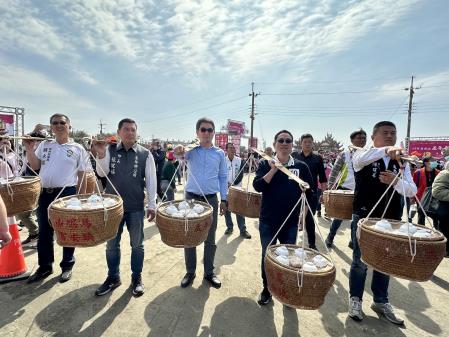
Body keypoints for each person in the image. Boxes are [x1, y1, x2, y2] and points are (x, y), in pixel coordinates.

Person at [348, 121, 416, 325]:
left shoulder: (402, 163)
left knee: (385, 262)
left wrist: (395, 181)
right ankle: (355, 299)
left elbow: (411, 191)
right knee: (360, 262)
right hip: (365, 217)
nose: (390, 136)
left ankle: (380, 301)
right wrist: (386, 149)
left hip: (391, 220)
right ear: (373, 137)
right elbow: (361, 158)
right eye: (385, 133)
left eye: (393, 133)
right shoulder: (362, 155)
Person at [94, 118, 157, 297]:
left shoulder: (145, 154)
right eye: (126, 129)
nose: (130, 132)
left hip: (136, 207)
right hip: (112, 208)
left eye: (133, 130)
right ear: (119, 132)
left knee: (137, 245)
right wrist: (100, 154)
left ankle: (136, 278)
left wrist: (152, 205)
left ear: (137, 132)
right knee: (111, 246)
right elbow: (101, 173)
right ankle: (113, 277)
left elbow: (151, 181)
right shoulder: (110, 150)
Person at [24, 114, 90, 283]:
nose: (59, 125)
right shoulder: (45, 145)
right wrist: (30, 150)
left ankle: (67, 265)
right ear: (51, 127)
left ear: (69, 126)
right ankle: (45, 266)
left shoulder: (78, 148)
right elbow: (35, 166)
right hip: (45, 193)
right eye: (55, 123)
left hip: (67, 193)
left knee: (68, 230)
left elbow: (82, 175)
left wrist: (80, 199)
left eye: (63, 123)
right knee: (45, 231)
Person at [253, 130, 313, 305]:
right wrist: (273, 169)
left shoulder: (301, 167)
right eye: (281, 140)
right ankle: (267, 289)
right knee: (268, 256)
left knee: (289, 259)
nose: (285, 143)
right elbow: (258, 186)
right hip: (268, 220)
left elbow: (310, 193)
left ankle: (286, 290)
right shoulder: (265, 163)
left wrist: (304, 214)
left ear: (292, 144)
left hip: (291, 222)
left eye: (288, 141)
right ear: (275, 144)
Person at [174, 117, 227, 289]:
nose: (206, 133)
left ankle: (209, 273)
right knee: (189, 236)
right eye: (203, 129)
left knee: (209, 237)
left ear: (214, 133)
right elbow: (176, 155)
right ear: (197, 132)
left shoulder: (219, 153)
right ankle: (190, 272)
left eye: (210, 130)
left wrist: (224, 199)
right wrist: (177, 150)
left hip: (211, 198)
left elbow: (223, 177)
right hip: (191, 198)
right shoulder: (191, 151)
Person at [325, 129, 367, 248]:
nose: (362, 140)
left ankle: (353, 241)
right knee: (339, 217)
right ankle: (330, 237)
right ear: (352, 140)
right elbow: (334, 171)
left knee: (357, 218)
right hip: (345, 190)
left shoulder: (368, 154)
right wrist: (330, 188)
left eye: (364, 138)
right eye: (358, 138)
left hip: (361, 192)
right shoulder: (345, 154)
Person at [292, 134, 327, 249]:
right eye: (305, 142)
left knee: (309, 219)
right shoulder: (294, 155)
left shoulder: (318, 158)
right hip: (294, 192)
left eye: (309, 142)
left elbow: (322, 178)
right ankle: (290, 242)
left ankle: (312, 244)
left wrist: (323, 193)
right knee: (293, 216)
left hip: (311, 193)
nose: (307, 144)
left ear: (313, 143)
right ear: (301, 143)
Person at [224, 142, 251, 239]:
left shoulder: (240, 161)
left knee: (239, 210)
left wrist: (233, 184)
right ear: (226, 150)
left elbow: (240, 174)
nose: (232, 149)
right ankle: (229, 227)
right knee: (227, 209)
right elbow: (220, 174)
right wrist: (225, 184)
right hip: (226, 189)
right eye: (230, 148)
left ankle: (243, 230)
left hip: (238, 189)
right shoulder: (222, 161)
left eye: (233, 148)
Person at [413, 156, 440, 226]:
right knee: (421, 219)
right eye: (433, 161)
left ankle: (438, 234)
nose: (435, 162)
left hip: (435, 199)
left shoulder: (439, 173)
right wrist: (412, 198)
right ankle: (421, 234)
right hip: (421, 199)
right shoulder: (418, 173)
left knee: (436, 218)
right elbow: (413, 186)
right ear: (426, 163)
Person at [432, 165, 449, 257]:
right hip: (444, 211)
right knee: (444, 231)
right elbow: (437, 192)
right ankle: (444, 251)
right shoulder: (444, 175)